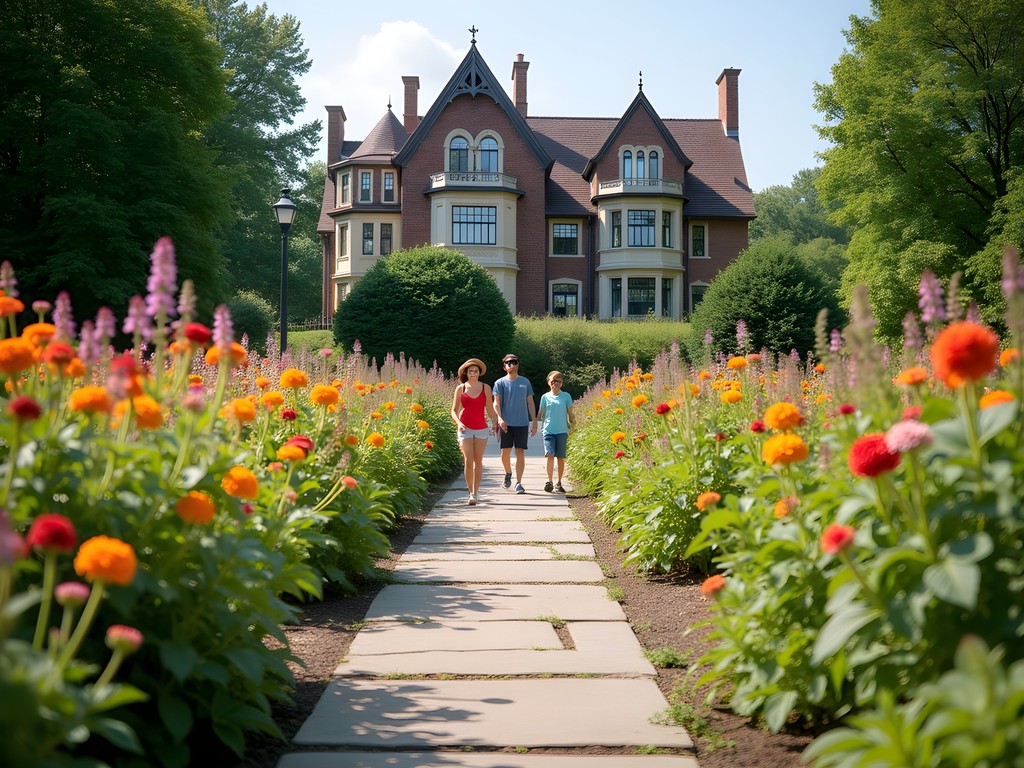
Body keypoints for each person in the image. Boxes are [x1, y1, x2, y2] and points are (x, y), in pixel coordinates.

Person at [450, 358, 498, 505]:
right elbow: (453, 411)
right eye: (470, 371)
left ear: (479, 373)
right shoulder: (461, 388)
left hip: (481, 428)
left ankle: (475, 493)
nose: (473, 373)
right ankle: (470, 493)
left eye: (475, 371)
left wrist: (496, 422)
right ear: (466, 372)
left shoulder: (485, 388)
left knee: (478, 461)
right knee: (468, 460)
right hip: (465, 428)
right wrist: (459, 423)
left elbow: (490, 409)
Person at [492, 353, 537, 494]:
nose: (511, 364)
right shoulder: (500, 383)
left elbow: (530, 402)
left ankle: (519, 482)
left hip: (522, 423)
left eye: (514, 362)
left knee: (520, 451)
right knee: (505, 452)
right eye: (508, 362)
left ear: (518, 364)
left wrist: (534, 421)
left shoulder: (525, 382)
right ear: (504, 367)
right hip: (506, 423)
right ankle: (508, 473)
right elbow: (496, 403)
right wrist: (500, 419)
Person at [537, 371, 573, 493]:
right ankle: (549, 481)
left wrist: (573, 424)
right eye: (553, 381)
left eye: (558, 381)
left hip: (562, 430)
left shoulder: (566, 396)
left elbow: (570, 412)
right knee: (550, 454)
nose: (555, 383)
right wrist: (535, 425)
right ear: (549, 382)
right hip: (548, 431)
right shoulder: (545, 397)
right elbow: (540, 413)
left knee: (560, 457)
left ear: (562, 383)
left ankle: (559, 482)